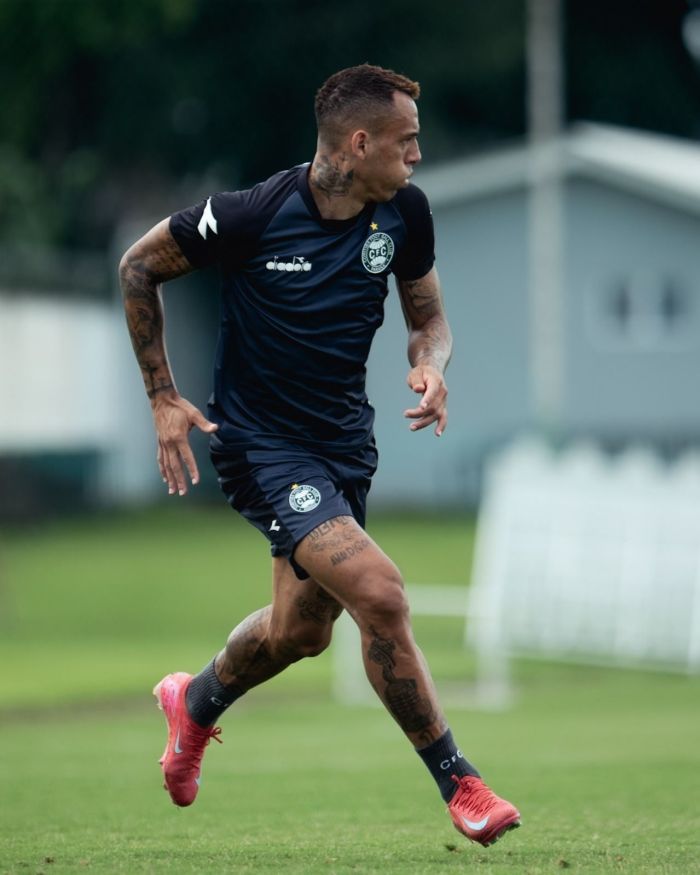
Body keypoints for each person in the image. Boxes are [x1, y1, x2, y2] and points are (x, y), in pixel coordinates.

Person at [118, 63, 520, 848]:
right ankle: (461, 780)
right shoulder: (251, 214)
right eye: (406, 142)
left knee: (302, 631)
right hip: (262, 448)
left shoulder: (405, 213)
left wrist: (432, 363)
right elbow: (138, 266)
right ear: (358, 142)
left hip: (344, 447)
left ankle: (193, 702)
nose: (418, 156)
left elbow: (429, 317)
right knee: (381, 592)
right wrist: (163, 396)